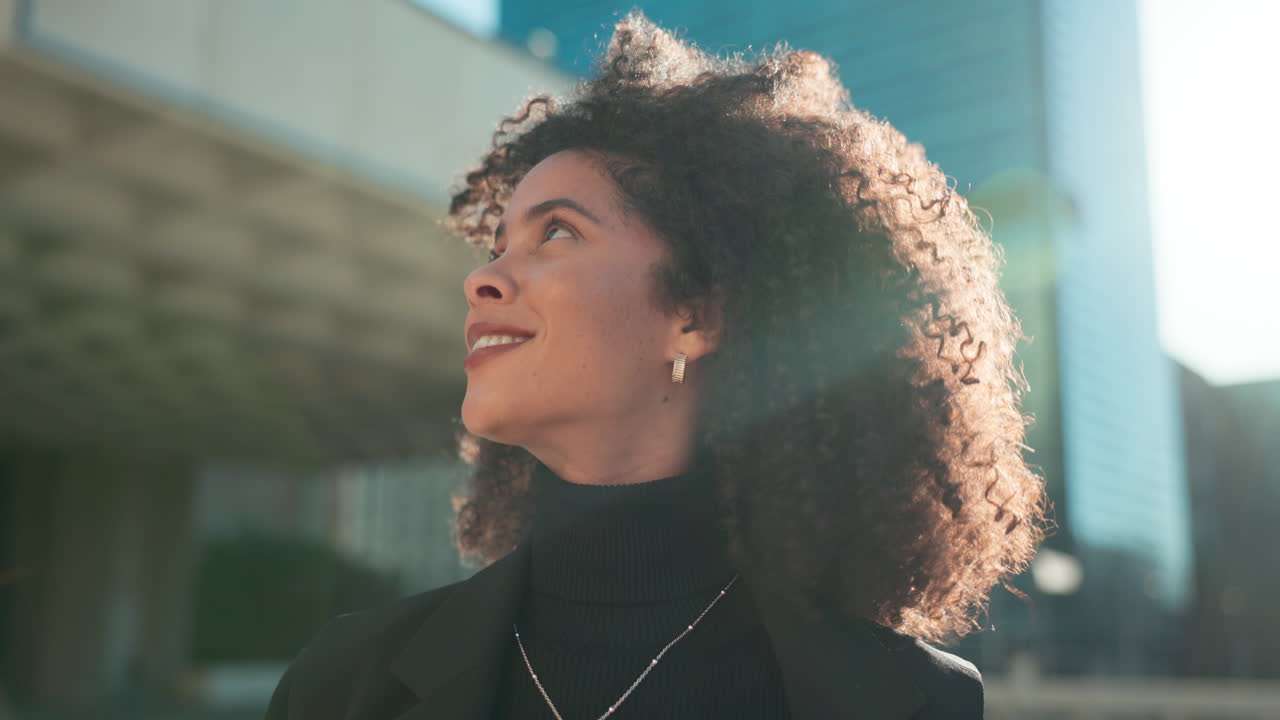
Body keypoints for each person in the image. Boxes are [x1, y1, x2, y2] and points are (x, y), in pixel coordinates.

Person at [266, 12, 1046, 719]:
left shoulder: (906, 702)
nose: (483, 278)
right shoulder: (344, 683)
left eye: (558, 234)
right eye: (498, 245)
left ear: (695, 316)